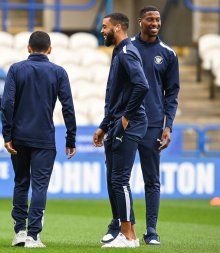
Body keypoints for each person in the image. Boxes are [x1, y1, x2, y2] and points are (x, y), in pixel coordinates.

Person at [1, 31, 77, 248]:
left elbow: (7, 103)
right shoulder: (59, 72)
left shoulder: (16, 69)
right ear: (50, 50)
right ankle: (34, 236)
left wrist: (8, 134)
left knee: (21, 183)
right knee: (40, 186)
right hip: (44, 137)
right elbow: (68, 107)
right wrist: (71, 138)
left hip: (19, 137)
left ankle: (19, 232)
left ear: (28, 48)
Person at [93, 13, 149, 248]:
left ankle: (128, 236)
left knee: (120, 180)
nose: (102, 30)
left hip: (130, 123)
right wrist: (104, 126)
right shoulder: (119, 52)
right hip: (117, 122)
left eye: (104, 27)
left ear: (117, 27)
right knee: (114, 179)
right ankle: (128, 232)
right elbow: (117, 95)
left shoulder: (126, 52)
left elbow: (142, 85)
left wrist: (126, 117)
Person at [131, 6, 179, 245]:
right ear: (140, 21)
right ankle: (121, 227)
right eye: (150, 19)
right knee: (119, 179)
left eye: (158, 19)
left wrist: (168, 125)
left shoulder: (168, 54)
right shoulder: (127, 48)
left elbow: (172, 93)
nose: (155, 23)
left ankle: (151, 231)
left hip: (152, 125)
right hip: (127, 123)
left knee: (152, 180)